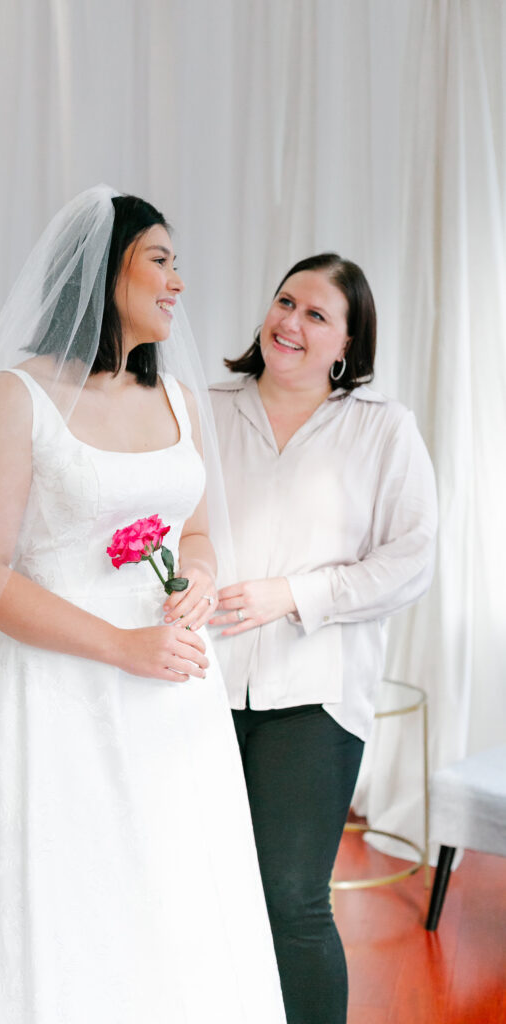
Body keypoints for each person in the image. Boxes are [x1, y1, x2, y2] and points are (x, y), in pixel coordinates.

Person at [0, 187, 285, 1022]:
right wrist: (119, 645)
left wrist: (202, 580)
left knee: (178, 897)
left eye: (179, 263)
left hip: (176, 703)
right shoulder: (16, 397)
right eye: (160, 260)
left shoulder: (176, 399)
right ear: (105, 273)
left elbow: (200, 531)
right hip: (61, 699)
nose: (179, 281)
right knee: (73, 903)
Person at [208, 252, 437, 1024]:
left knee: (289, 898)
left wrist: (292, 595)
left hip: (314, 693)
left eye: (315, 315)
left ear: (347, 343)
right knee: (202, 895)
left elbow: (411, 562)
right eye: (283, 303)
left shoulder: (382, 430)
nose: (290, 323)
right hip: (193, 688)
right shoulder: (199, 410)